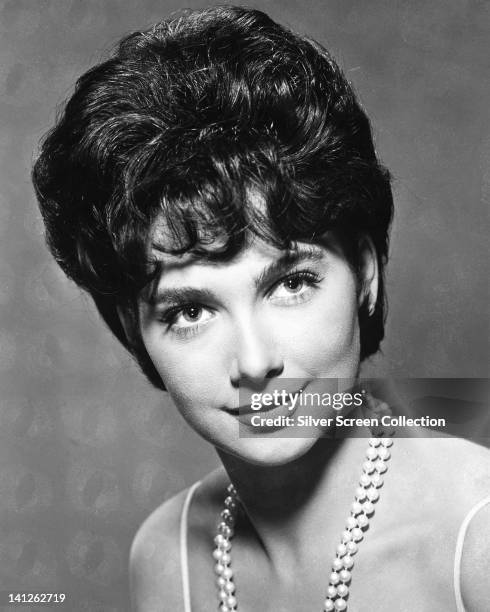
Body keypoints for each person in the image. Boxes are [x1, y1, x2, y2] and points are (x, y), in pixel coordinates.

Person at [32, 6, 489, 611]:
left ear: (366, 273)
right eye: (190, 311)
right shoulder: (166, 559)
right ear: (131, 330)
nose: (254, 360)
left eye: (292, 283)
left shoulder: (477, 537)